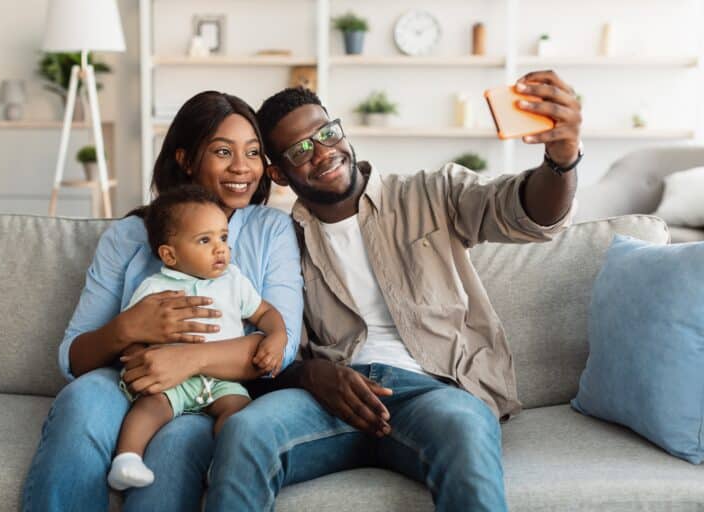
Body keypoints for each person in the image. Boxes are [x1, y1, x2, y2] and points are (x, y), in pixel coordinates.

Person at [205, 70, 581, 511]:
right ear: (279, 173)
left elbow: (526, 212)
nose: (324, 153)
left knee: (463, 428)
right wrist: (310, 375)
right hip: (331, 401)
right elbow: (275, 345)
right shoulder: (283, 238)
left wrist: (562, 158)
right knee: (244, 433)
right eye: (301, 149)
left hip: (435, 395)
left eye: (327, 133)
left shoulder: (431, 193)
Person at [22, 91, 303, 512]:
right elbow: (75, 357)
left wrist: (187, 361)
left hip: (215, 390)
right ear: (186, 160)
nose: (242, 167)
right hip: (130, 378)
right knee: (80, 401)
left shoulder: (271, 231)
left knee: (177, 442)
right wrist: (128, 329)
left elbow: (279, 348)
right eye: (223, 151)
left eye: (253, 152)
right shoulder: (129, 236)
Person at [107, 184, 288, 491]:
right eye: (205, 240)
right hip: (171, 380)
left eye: (223, 237)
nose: (220, 248)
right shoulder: (154, 287)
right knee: (148, 408)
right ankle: (127, 460)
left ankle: (222, 464)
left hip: (221, 379)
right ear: (170, 254)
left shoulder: (234, 280)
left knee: (239, 413)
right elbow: (135, 330)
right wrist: (138, 355)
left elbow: (265, 312)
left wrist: (277, 335)